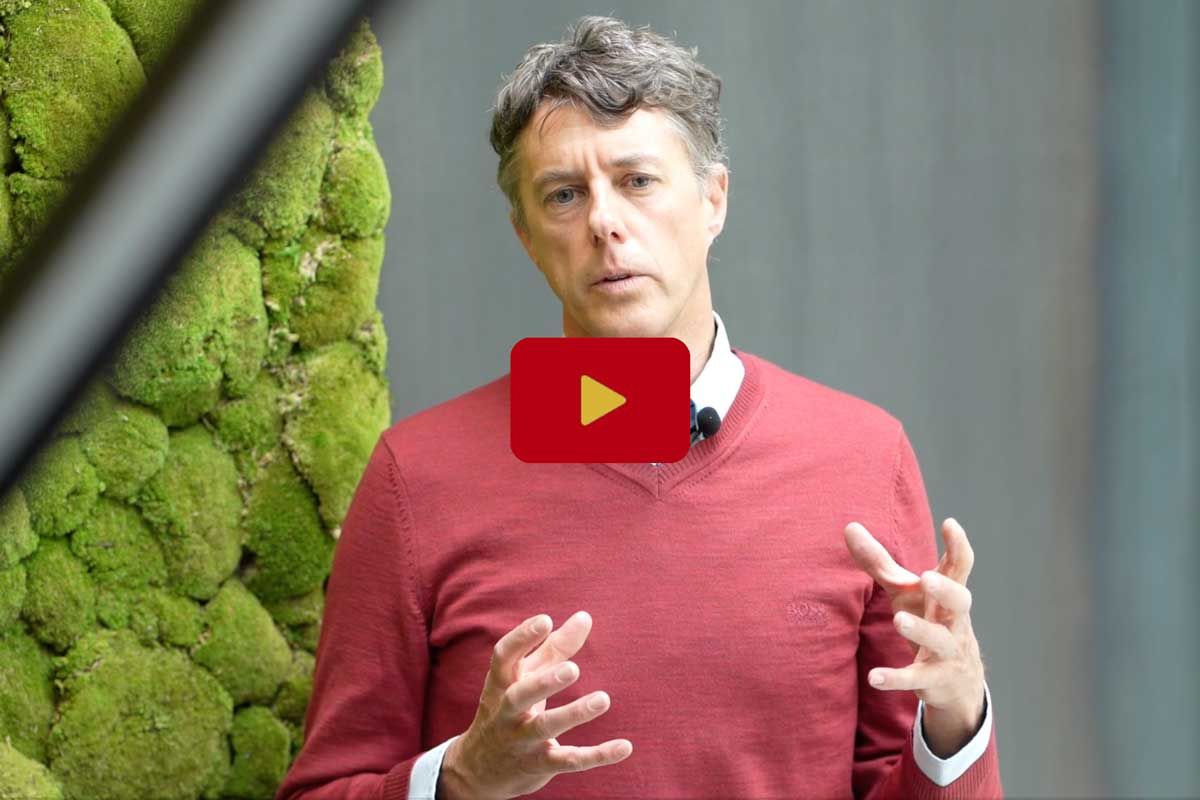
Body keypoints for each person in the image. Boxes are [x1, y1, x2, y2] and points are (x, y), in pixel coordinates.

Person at [276, 15, 1003, 800]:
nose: (604, 222)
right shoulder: (417, 479)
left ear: (714, 199)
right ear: (525, 236)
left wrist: (957, 720)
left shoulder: (862, 456)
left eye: (638, 181)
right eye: (564, 194)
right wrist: (459, 779)